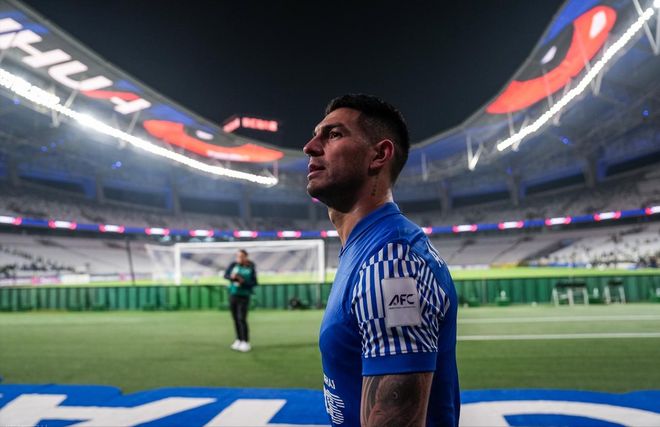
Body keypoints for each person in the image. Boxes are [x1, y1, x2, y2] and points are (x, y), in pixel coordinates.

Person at [303, 94, 460, 426]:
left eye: (333, 134)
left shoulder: (391, 261)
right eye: (316, 135)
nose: (310, 147)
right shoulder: (368, 248)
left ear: (379, 155)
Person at [223, 249, 257, 352]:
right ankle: (238, 339)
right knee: (235, 318)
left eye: (241, 256)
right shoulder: (233, 265)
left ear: (246, 257)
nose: (239, 258)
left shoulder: (251, 267)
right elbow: (226, 275)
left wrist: (243, 282)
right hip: (233, 294)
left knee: (242, 318)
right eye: (238, 256)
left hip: (244, 296)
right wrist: (233, 278)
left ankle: (245, 341)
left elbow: (254, 282)